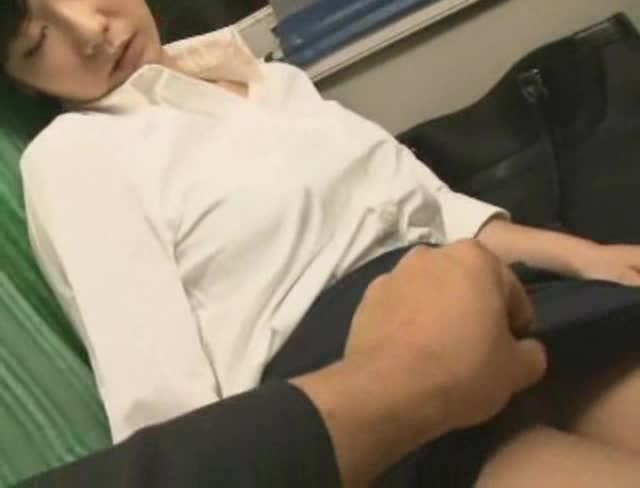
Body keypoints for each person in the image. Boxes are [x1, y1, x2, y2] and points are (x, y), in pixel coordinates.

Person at [2, 0, 640, 485]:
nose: (89, 30)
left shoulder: (271, 82)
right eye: (36, 42)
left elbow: (432, 207)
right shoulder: (74, 157)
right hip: (362, 383)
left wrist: (586, 257)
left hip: (495, 296)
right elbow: (165, 409)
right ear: (20, 78)